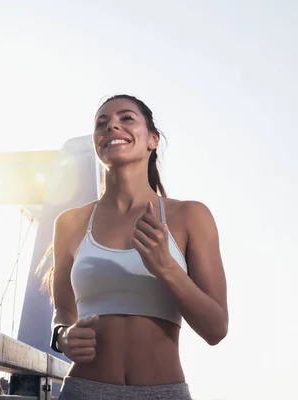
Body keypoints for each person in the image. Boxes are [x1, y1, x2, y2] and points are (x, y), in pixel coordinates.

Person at [44, 95, 228, 399]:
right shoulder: (70, 223)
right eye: (101, 124)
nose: (112, 125)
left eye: (126, 118)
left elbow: (216, 329)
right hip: (83, 390)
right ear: (96, 143)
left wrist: (168, 269)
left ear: (152, 140)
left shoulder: (191, 216)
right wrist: (62, 335)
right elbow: (64, 309)